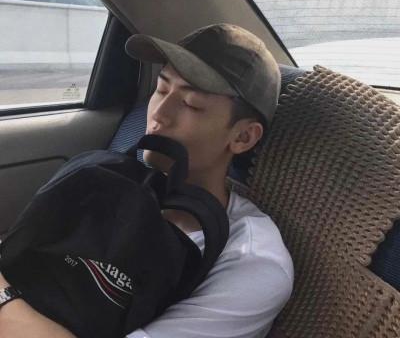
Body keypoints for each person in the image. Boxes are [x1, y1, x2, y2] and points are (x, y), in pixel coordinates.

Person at [0, 23, 293, 338]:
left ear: (243, 137)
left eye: (191, 104)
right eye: (162, 89)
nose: (159, 115)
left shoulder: (252, 259)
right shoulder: (111, 185)